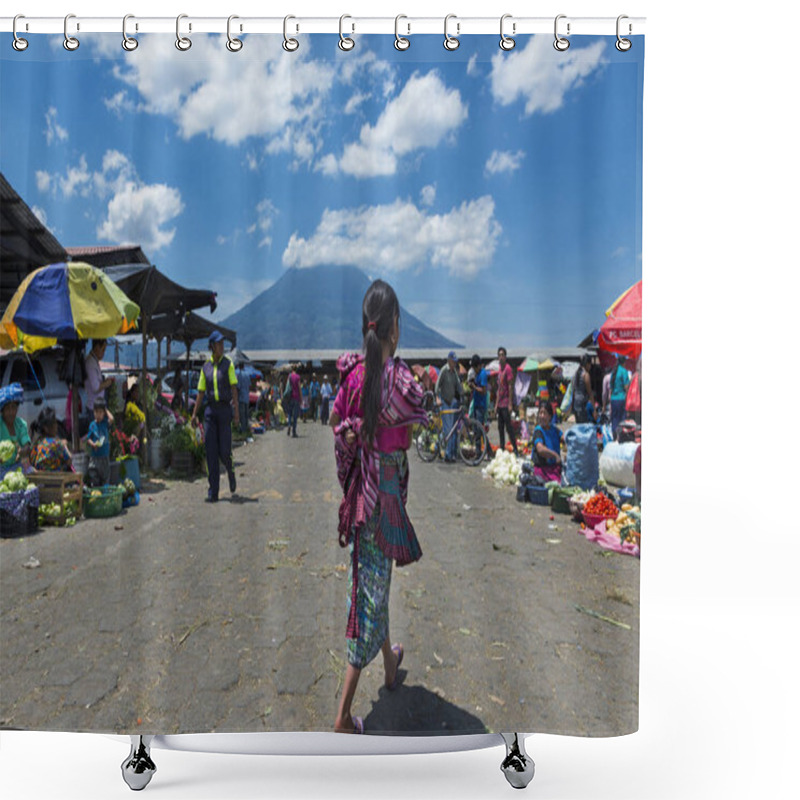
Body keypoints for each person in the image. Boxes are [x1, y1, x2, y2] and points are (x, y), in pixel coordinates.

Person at [329, 279, 428, 735]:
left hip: (362, 498)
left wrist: (353, 432)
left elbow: (335, 420)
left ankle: (390, 668)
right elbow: (418, 405)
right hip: (382, 500)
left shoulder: (353, 376)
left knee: (375, 581)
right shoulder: (399, 379)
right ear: (394, 327)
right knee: (367, 601)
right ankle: (344, 716)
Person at [189, 330, 239, 503]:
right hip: (210, 412)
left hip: (225, 411)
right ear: (212, 346)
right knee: (211, 453)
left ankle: (231, 472)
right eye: (218, 344)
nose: (221, 347)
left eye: (222, 343)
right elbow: (201, 393)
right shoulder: (206, 368)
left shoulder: (228, 364)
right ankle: (214, 491)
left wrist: (237, 413)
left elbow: (234, 389)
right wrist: (194, 414)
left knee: (224, 451)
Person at [435, 351, 462, 462]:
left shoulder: (454, 372)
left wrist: (462, 395)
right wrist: (437, 398)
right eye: (453, 361)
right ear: (449, 361)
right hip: (444, 402)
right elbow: (437, 385)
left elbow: (458, 386)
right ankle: (447, 455)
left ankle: (448, 452)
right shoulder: (444, 370)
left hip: (452, 402)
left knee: (452, 430)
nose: (454, 364)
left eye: (455, 362)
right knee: (448, 429)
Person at [84, 339, 115, 428]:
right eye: (103, 350)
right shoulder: (90, 363)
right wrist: (107, 383)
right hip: (94, 408)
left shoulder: (94, 361)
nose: (104, 353)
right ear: (97, 347)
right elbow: (96, 387)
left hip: (99, 406)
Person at [30, 406, 72, 472]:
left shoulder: (36, 444)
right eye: (54, 423)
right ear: (46, 428)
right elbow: (69, 461)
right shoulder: (56, 444)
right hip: (57, 480)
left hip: (40, 480)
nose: (56, 426)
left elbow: (32, 463)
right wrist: (65, 446)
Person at [530, 402, 563, 485]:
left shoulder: (554, 429)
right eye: (540, 413)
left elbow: (565, 438)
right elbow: (540, 449)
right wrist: (555, 455)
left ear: (550, 416)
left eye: (544, 413)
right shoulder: (538, 431)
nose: (542, 416)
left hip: (554, 468)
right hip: (542, 470)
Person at [495, 346, 519, 457]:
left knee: (509, 427)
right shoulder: (499, 369)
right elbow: (498, 388)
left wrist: (510, 403)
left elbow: (510, 386)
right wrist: (495, 404)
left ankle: (515, 449)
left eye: (502, 355)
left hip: (505, 403)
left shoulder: (508, 369)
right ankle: (502, 448)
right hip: (499, 403)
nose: (501, 357)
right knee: (500, 427)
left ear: (505, 356)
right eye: (499, 355)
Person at [0, 383, 31, 468]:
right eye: (7, 408)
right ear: (2, 411)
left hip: (17, 466)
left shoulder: (21, 424)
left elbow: (27, 445)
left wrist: (22, 451)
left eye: (13, 407)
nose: (11, 412)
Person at [83, 398, 111, 485]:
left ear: (104, 413)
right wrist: (93, 444)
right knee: (94, 476)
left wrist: (105, 409)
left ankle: (104, 494)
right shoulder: (92, 425)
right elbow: (88, 439)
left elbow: (112, 419)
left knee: (105, 477)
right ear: (93, 412)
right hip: (95, 457)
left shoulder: (105, 423)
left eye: (100, 412)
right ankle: (96, 492)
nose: (98, 415)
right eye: (96, 412)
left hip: (104, 456)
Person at [609, 354, 632, 437]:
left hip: (613, 400)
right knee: (622, 420)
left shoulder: (614, 371)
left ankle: (614, 437)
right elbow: (626, 387)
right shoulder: (624, 371)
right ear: (624, 362)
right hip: (622, 399)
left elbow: (611, 388)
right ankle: (621, 437)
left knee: (615, 419)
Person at [572, 354, 595, 424]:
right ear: (587, 364)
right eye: (590, 365)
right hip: (582, 404)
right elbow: (590, 392)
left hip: (576, 403)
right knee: (584, 426)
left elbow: (573, 390)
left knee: (579, 425)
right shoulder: (586, 374)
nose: (590, 367)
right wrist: (594, 410)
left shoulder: (576, 373)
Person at [468, 354, 489, 427]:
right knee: (475, 426)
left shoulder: (482, 374)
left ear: (478, 366)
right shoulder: (477, 374)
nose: (474, 370)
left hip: (481, 405)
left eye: (474, 368)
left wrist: (474, 387)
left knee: (479, 427)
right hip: (476, 404)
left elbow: (483, 391)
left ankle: (480, 438)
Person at [235, 362, 251, 434]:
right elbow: (250, 385)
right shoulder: (247, 374)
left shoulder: (239, 374)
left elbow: (238, 387)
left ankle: (244, 431)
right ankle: (246, 429)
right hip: (247, 397)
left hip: (241, 397)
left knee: (242, 415)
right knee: (246, 415)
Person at [286, 365, 301, 437]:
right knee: (295, 415)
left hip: (290, 397)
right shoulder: (298, 377)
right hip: (296, 397)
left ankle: (289, 425)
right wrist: (300, 398)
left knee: (289, 413)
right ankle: (294, 432)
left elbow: (287, 387)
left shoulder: (289, 376)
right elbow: (299, 388)